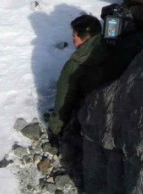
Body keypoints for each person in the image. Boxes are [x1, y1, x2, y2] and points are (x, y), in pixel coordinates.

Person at [48, 14, 116, 188]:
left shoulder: (75, 65)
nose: (72, 39)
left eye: (74, 35)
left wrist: (56, 129)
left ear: (82, 38)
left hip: (90, 115)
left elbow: (63, 99)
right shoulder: (112, 47)